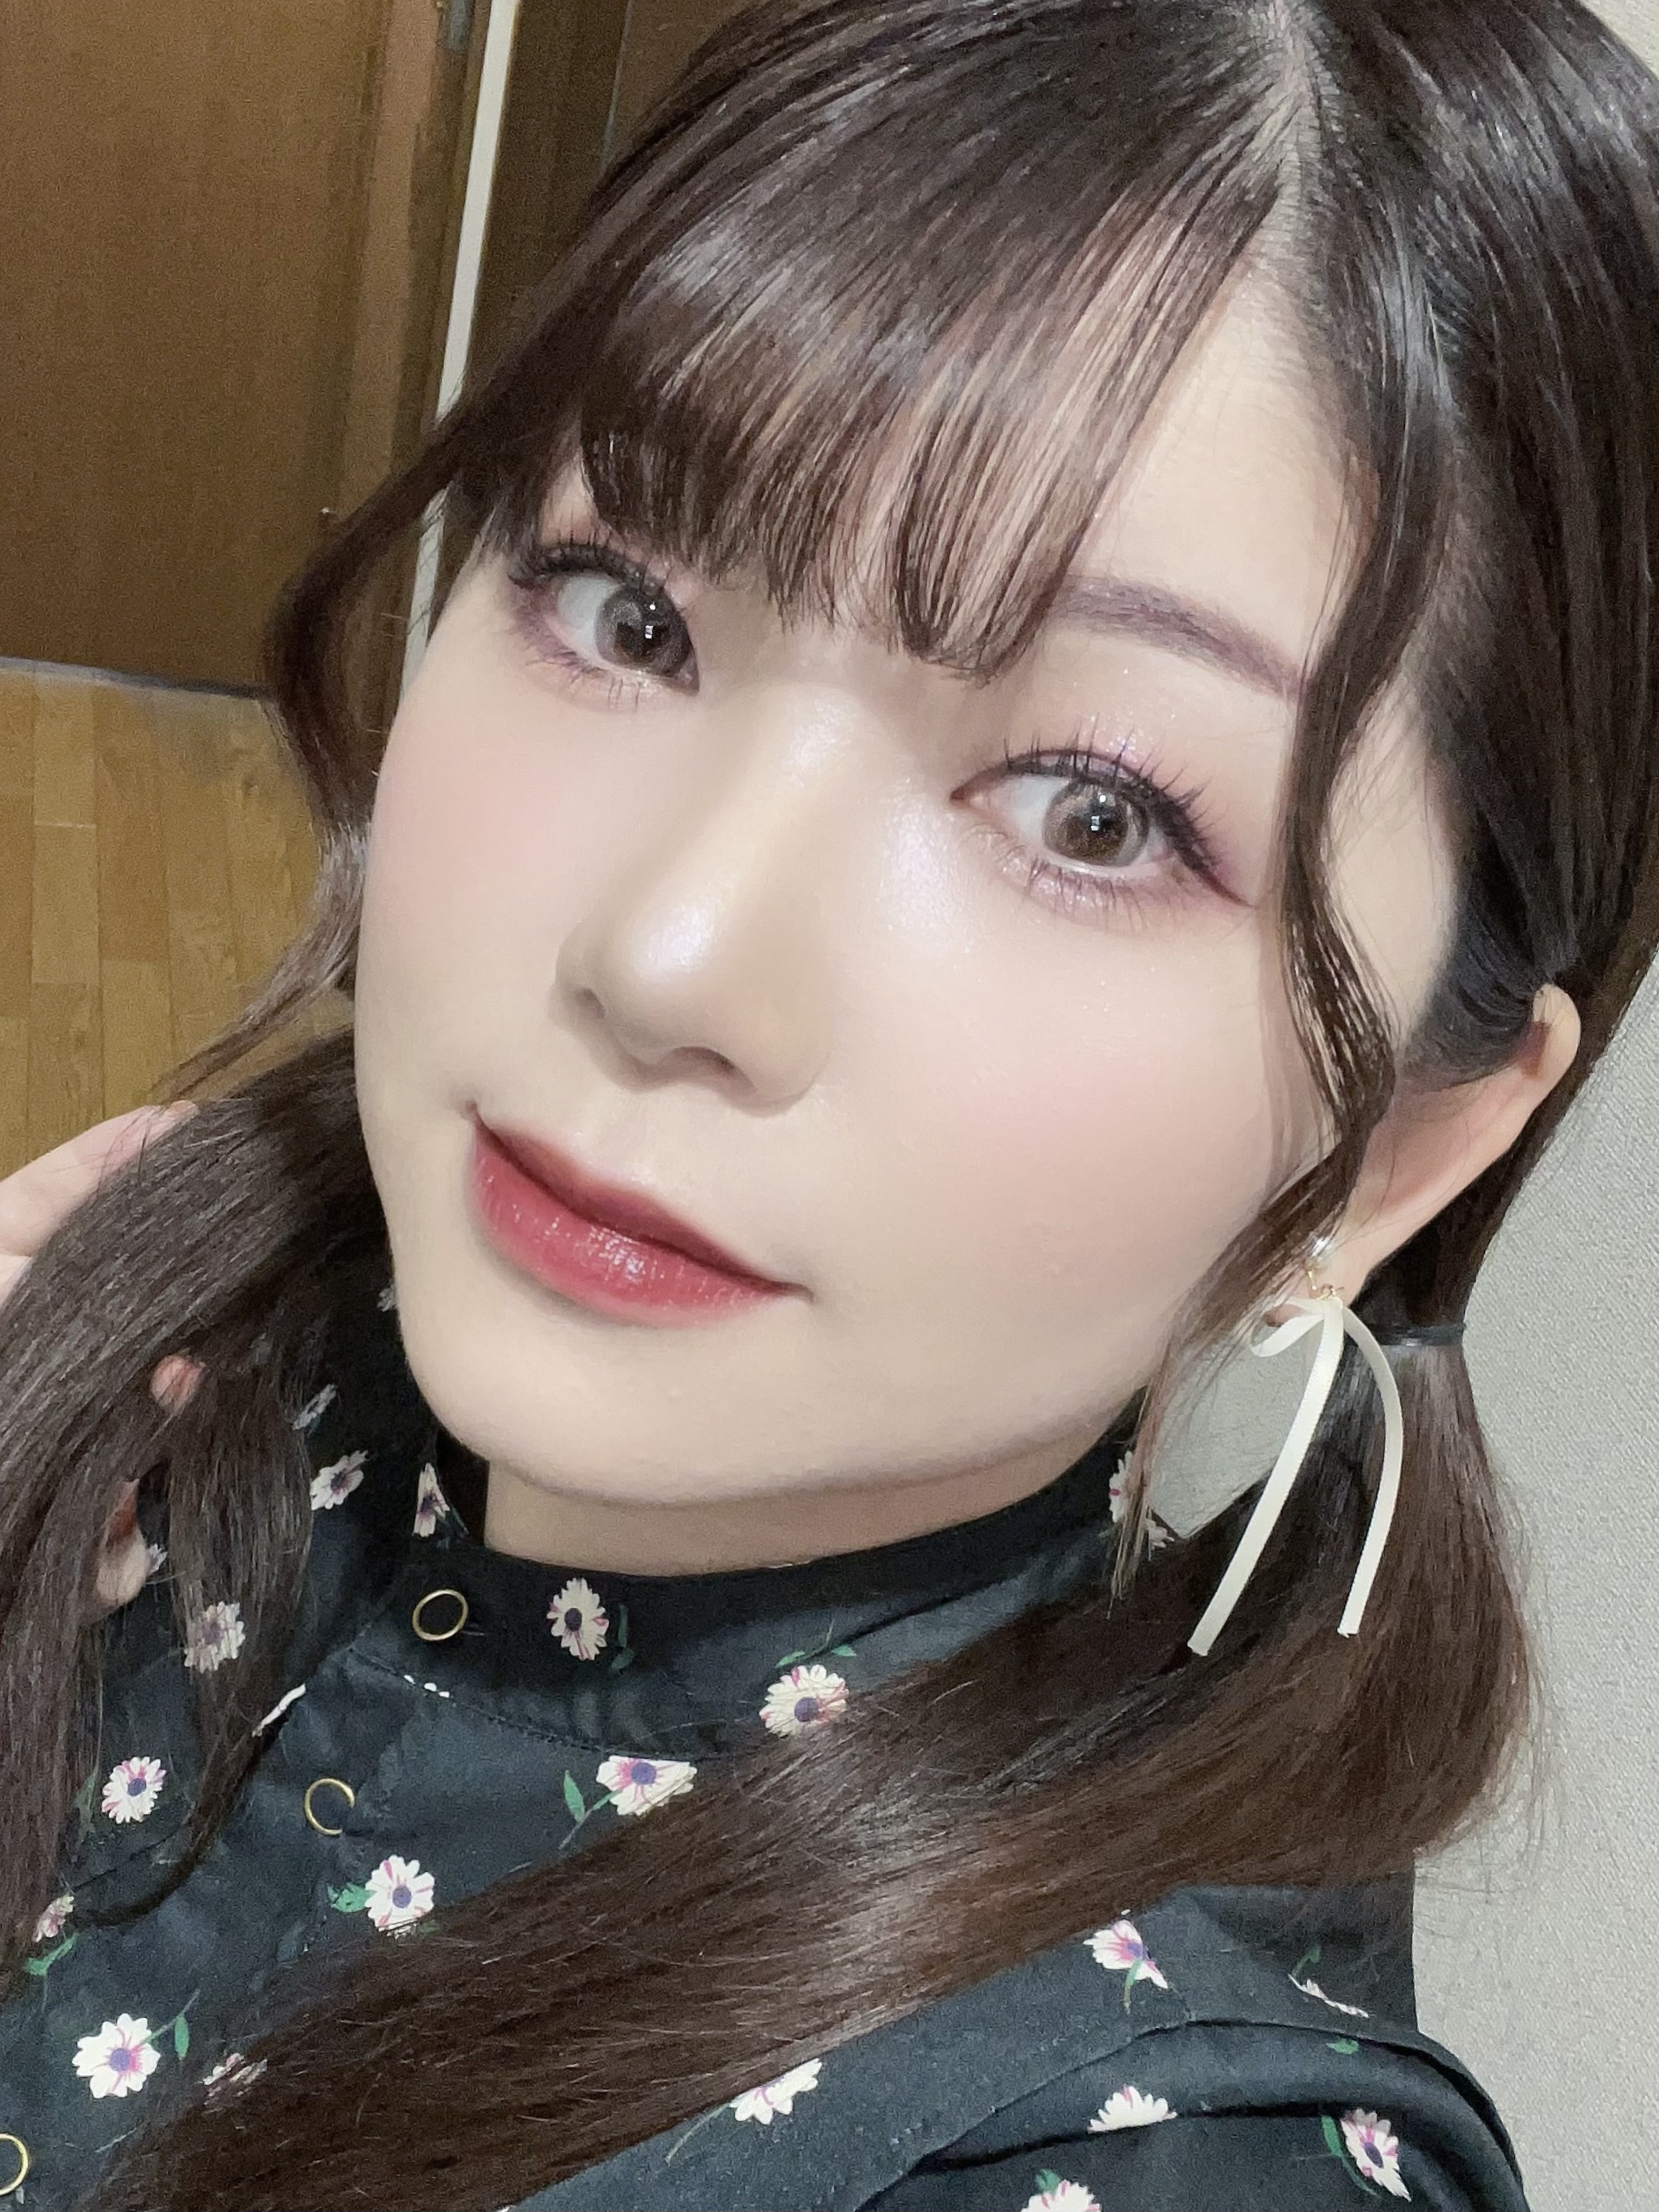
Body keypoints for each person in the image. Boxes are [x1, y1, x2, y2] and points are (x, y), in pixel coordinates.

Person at [1, 0, 1655, 2203]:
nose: (669, 955)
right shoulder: (229, 1305)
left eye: (1092, 814)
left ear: (1405, 1149)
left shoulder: (1136, 2164)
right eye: (628, 609)